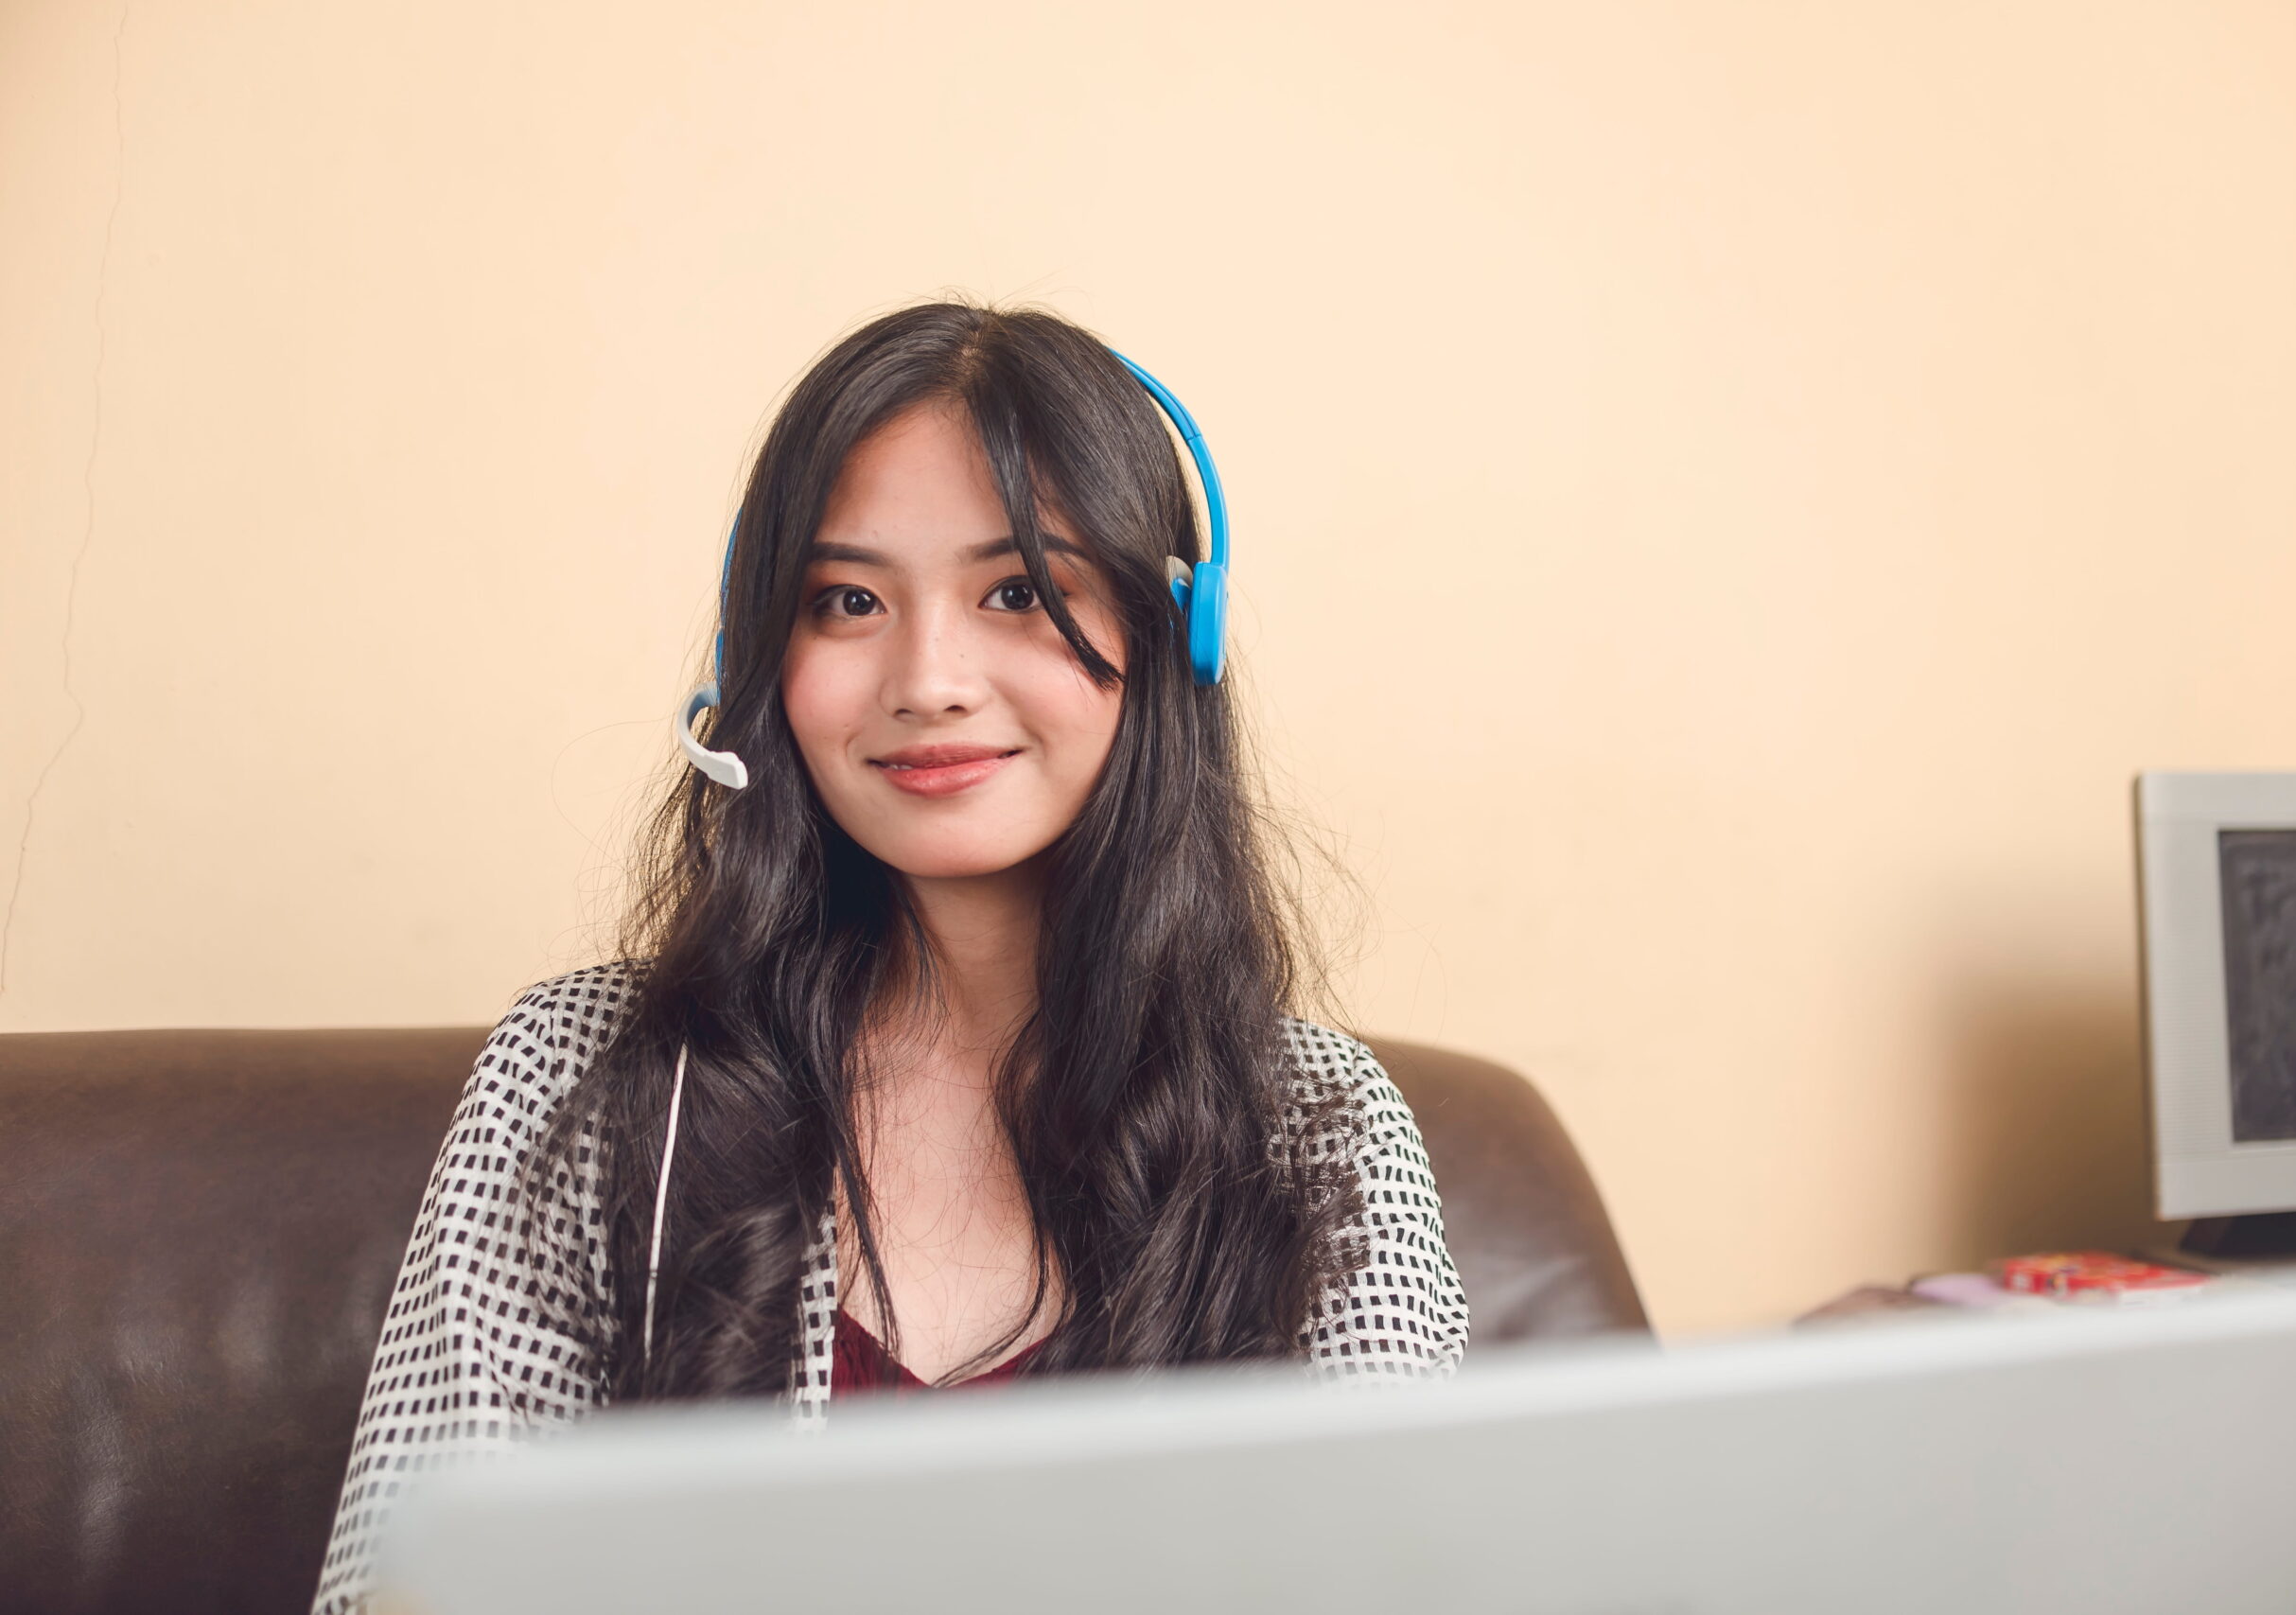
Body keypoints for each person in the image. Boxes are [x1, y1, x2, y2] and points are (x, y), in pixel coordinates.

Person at [309, 302, 1468, 1614]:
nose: (929, 679)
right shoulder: (588, 1080)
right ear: (759, 660)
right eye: (848, 599)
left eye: (1019, 591)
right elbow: (401, 1593)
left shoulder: (1319, 1132)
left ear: (1167, 639)